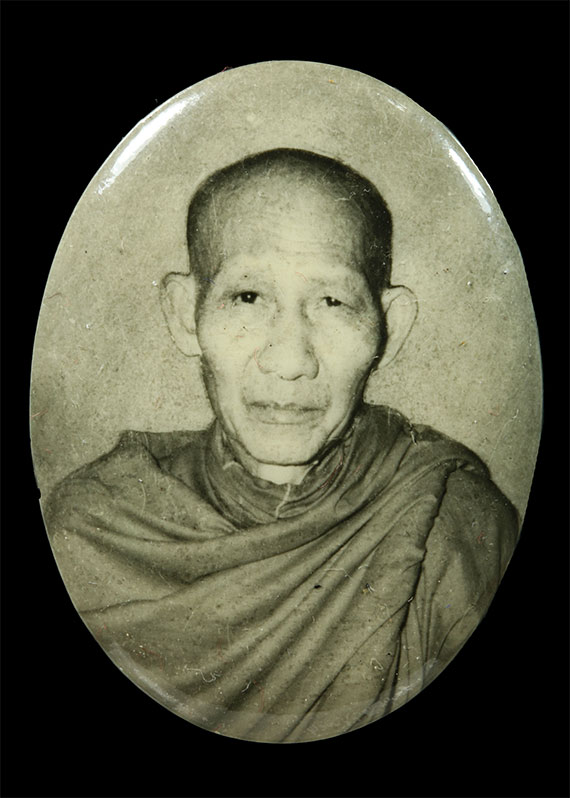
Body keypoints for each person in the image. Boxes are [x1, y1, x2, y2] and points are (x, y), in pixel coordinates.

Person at [45, 148, 519, 743]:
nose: (291, 360)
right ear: (186, 316)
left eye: (332, 302)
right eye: (247, 297)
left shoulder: (455, 529)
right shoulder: (92, 532)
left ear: (388, 328)